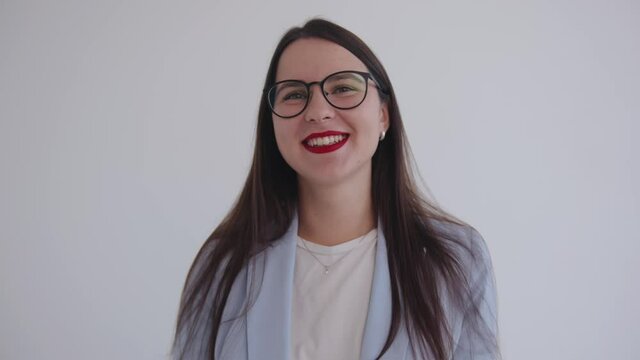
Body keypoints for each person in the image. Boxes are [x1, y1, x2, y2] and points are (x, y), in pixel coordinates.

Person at [172, 19, 500, 360]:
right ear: (271, 124)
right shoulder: (223, 263)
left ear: (384, 115)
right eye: (295, 94)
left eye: (343, 88)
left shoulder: (455, 258)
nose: (318, 112)